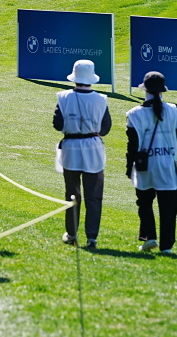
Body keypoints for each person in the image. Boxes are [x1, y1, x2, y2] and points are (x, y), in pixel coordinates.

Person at [52, 60, 110, 249]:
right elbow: (105, 127)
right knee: (94, 195)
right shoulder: (101, 99)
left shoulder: (63, 97)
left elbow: (58, 125)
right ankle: (92, 237)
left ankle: (71, 233)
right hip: (93, 148)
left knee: (72, 194)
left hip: (71, 148)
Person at [125, 71, 177, 254]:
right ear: (162, 90)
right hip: (167, 164)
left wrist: (129, 168)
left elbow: (132, 145)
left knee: (144, 203)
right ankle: (166, 246)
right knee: (169, 207)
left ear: (145, 90)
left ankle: (149, 238)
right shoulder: (173, 110)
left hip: (145, 166)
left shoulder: (133, 114)